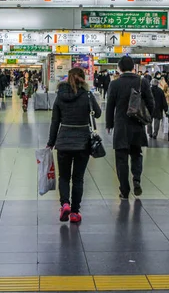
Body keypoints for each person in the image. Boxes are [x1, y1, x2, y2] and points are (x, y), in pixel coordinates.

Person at [47, 68, 101, 223]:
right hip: (83, 142)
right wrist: (88, 92)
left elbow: (55, 121)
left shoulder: (60, 96)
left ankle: (65, 204)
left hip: (63, 141)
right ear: (83, 79)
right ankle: (75, 212)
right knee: (78, 178)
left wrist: (51, 142)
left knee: (64, 177)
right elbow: (97, 114)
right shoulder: (87, 95)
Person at [106, 56, 154, 199]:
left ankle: (124, 190)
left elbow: (110, 106)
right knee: (136, 154)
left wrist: (109, 123)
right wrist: (147, 117)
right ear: (133, 66)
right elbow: (151, 102)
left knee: (121, 159)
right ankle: (137, 179)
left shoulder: (115, 84)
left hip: (121, 125)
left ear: (119, 68)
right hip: (137, 125)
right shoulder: (142, 81)